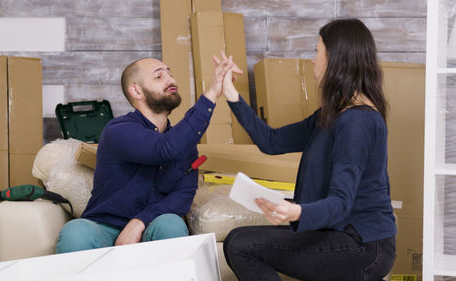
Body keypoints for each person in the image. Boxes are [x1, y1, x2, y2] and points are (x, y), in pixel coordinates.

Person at [220, 18, 397, 281]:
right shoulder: (330, 115)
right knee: (236, 240)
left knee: (241, 245)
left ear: (336, 58)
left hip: (363, 246)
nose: (312, 60)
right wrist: (230, 93)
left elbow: (341, 202)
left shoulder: (357, 122)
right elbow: (271, 141)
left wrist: (296, 212)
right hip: (337, 232)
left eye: (317, 52)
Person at [56, 56, 241, 253]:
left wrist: (139, 221)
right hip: (104, 229)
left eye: (170, 73)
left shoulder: (182, 142)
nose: (171, 79)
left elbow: (183, 195)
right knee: (76, 232)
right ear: (136, 90)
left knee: (171, 224)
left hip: (151, 229)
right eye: (159, 76)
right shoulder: (118, 130)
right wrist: (211, 93)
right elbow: (164, 149)